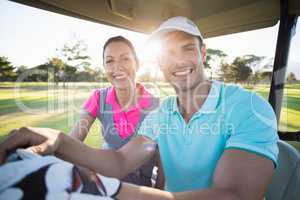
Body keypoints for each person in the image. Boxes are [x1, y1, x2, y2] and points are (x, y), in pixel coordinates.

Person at [0, 16, 279, 200]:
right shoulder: (162, 113)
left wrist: (117, 190)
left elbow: (234, 195)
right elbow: (120, 161)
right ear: (158, 62)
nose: (179, 61)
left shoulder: (249, 106)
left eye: (187, 48)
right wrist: (58, 140)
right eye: (167, 53)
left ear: (203, 53)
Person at [68, 35, 161, 187]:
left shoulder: (156, 107)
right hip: (102, 185)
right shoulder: (98, 98)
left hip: (139, 192)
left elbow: (163, 162)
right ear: (104, 67)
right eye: (110, 61)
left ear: (137, 64)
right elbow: (73, 141)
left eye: (125, 58)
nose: (117, 67)